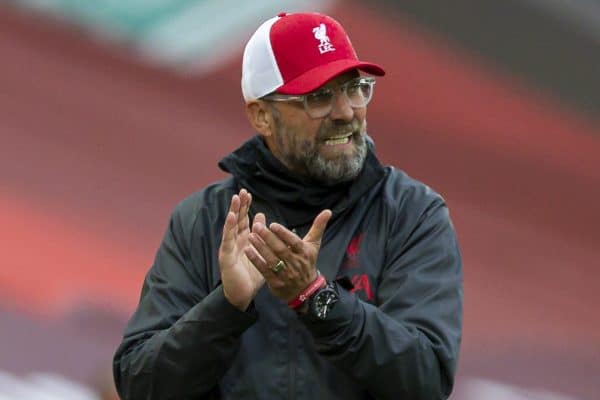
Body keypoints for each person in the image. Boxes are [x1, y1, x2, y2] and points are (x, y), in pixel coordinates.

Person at [113, 11, 463, 400]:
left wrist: (316, 297)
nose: (346, 111)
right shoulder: (204, 220)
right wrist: (225, 308)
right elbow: (140, 385)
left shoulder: (411, 214)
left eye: (355, 88)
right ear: (262, 116)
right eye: (319, 97)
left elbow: (426, 380)